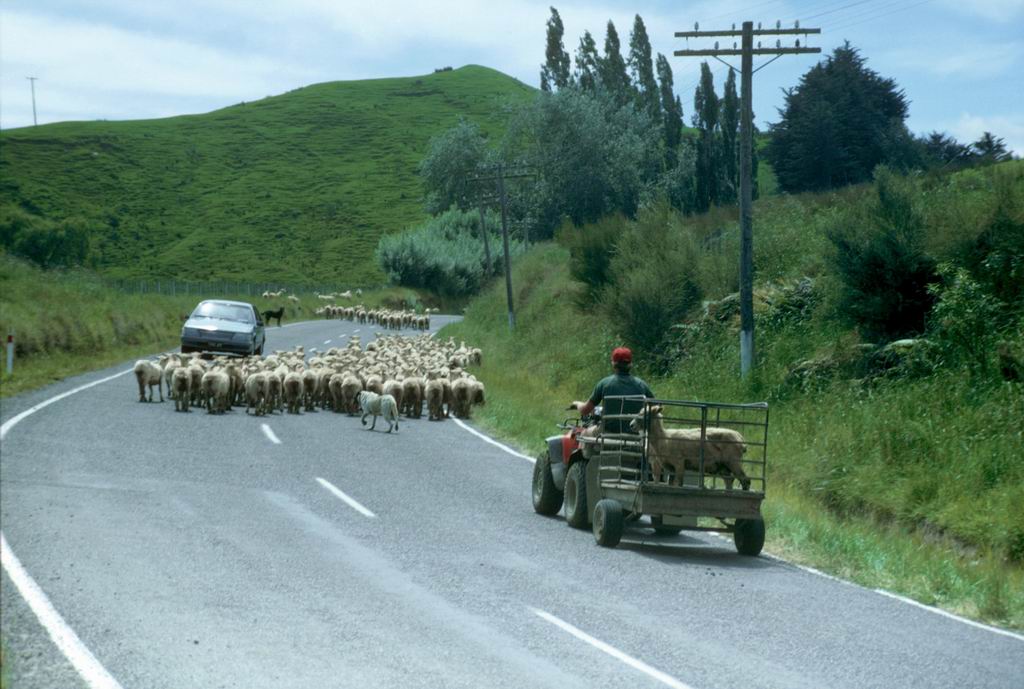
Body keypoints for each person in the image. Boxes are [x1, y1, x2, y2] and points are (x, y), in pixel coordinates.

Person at [572, 347, 655, 438]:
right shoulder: (641, 385)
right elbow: (656, 407)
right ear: (630, 364)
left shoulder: (604, 384)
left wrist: (577, 404)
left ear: (613, 363)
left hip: (607, 433)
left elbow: (585, 410)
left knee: (584, 433)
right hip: (635, 435)